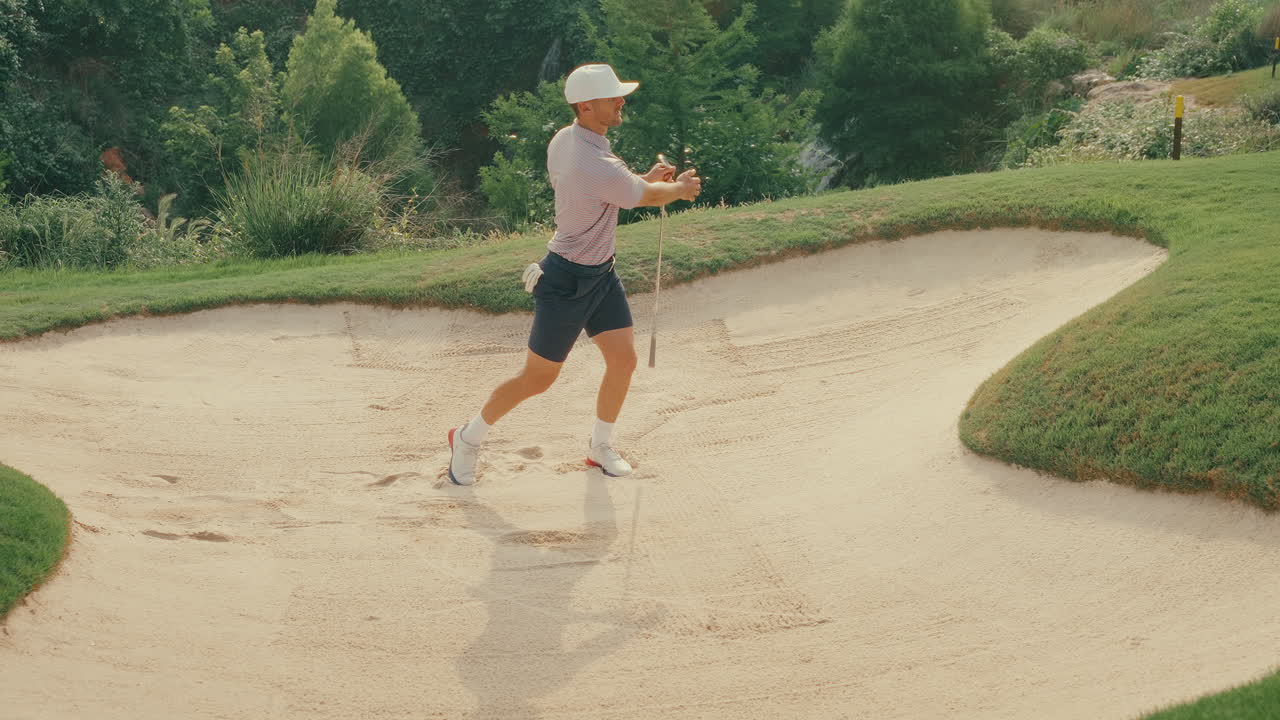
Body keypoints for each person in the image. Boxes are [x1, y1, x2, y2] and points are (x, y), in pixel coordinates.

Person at [447, 63, 702, 486]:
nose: (621, 102)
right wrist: (678, 189)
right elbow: (637, 195)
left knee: (623, 360)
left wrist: (641, 182)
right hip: (565, 280)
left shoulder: (567, 139)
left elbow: (614, 189)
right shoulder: (594, 160)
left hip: (601, 275)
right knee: (538, 378)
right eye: (612, 98)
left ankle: (600, 447)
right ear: (586, 106)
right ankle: (467, 438)